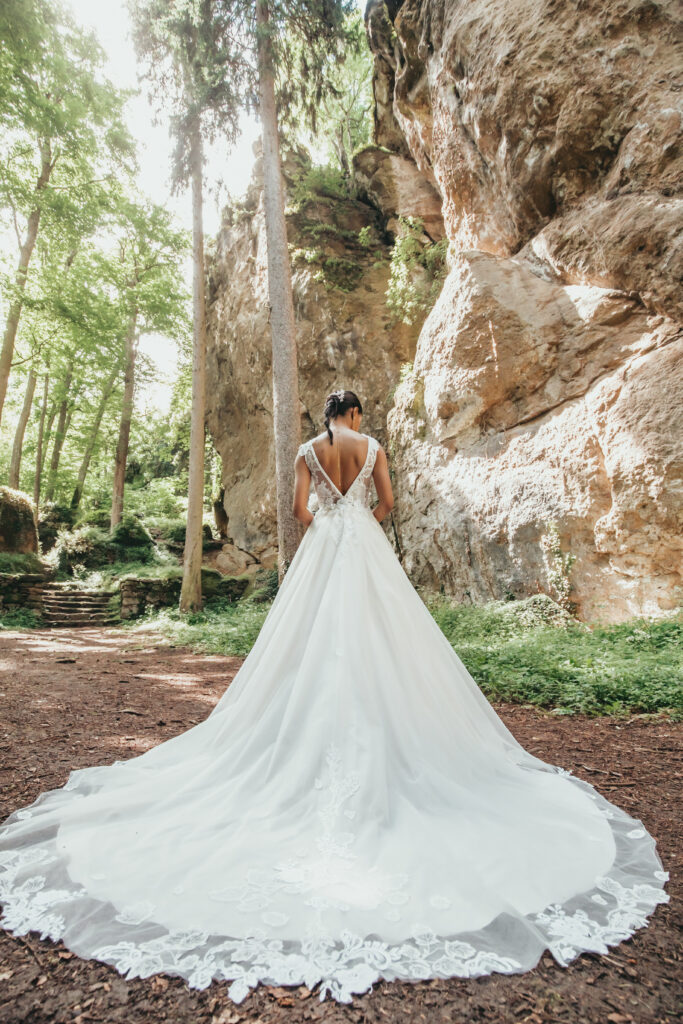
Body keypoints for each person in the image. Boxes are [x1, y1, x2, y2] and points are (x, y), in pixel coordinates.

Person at [0, 388, 670, 1005]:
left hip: (324, 548)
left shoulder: (306, 451)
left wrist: (326, 513)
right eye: (355, 415)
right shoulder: (371, 447)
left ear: (324, 416)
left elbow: (298, 511)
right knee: (388, 639)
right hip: (364, 550)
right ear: (352, 415)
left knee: (309, 640)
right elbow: (387, 505)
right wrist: (358, 517)